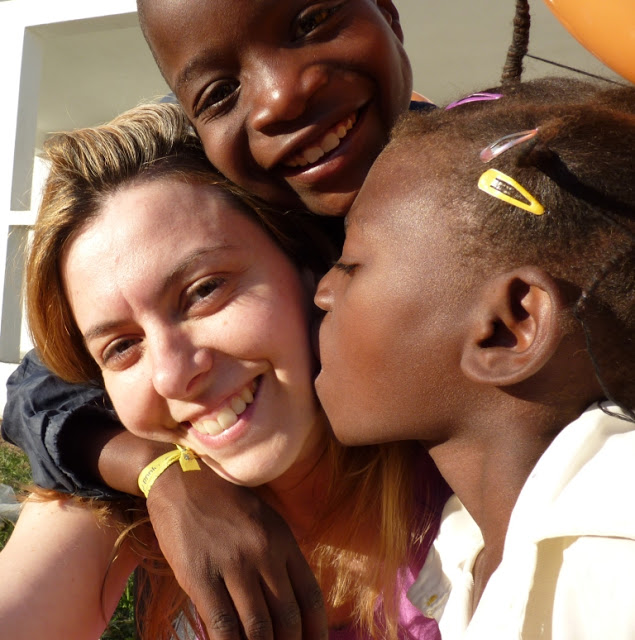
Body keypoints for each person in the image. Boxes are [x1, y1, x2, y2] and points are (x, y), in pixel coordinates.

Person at [0, 101, 445, 640]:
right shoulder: (131, 504)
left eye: (205, 290)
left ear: (309, 265)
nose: (172, 375)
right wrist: (158, 474)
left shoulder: (461, 458)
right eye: (122, 346)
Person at [314, 77, 635, 638]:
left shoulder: (613, 556)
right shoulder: (460, 553)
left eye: (351, 264)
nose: (322, 292)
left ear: (509, 326)